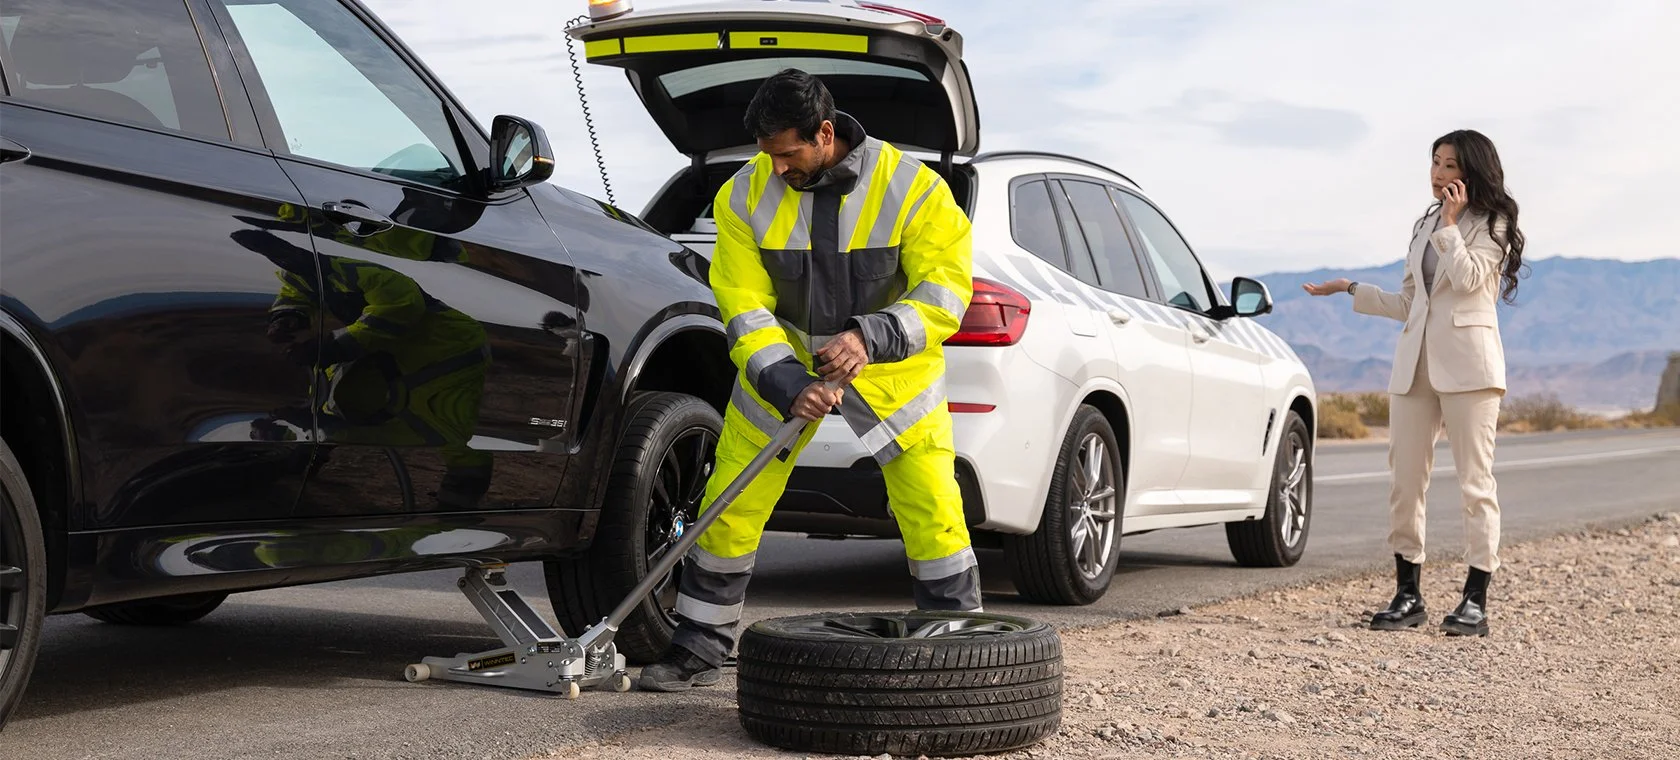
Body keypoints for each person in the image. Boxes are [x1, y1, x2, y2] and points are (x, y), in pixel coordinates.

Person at [638, 69, 977, 690]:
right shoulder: (743, 196)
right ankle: (699, 648)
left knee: (933, 511)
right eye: (767, 154)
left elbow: (946, 292)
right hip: (780, 373)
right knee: (731, 503)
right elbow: (742, 306)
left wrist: (870, 337)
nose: (776, 168)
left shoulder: (913, 189)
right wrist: (789, 380)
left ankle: (963, 655)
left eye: (788, 154)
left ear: (825, 133)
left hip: (895, 378)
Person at [1304, 129, 1526, 637]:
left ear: (1471, 173)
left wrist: (1450, 224)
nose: (1437, 174)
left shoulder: (1494, 223)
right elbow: (1411, 303)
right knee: (1405, 482)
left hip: (1470, 369)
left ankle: (1475, 600)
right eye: (1434, 163)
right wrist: (1351, 289)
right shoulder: (1424, 224)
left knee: (1475, 484)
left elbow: (1467, 281)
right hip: (1415, 367)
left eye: (1449, 165)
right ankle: (1408, 594)